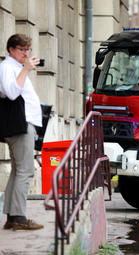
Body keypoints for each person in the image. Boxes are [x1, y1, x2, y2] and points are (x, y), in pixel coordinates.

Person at [0, 34, 44, 230]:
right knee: (26, 170)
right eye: (21, 49)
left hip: (23, 124)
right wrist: (26, 70)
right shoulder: (8, 66)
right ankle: (19, 216)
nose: (26, 53)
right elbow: (10, 92)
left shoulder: (15, 67)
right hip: (20, 124)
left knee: (19, 170)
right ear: (11, 50)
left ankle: (11, 216)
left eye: (28, 50)